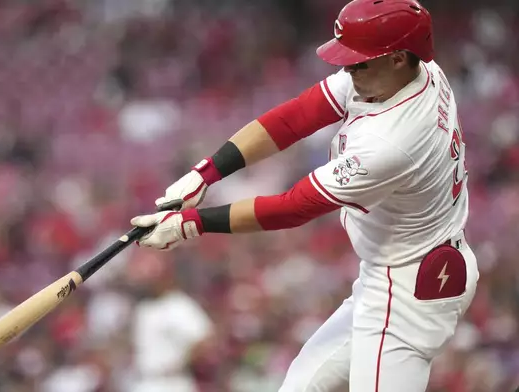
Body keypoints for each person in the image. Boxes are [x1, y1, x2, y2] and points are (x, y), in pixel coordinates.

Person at [130, 0, 479, 391]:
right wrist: (206, 171)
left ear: (398, 58)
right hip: (391, 271)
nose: (347, 68)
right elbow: (297, 116)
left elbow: (293, 207)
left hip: (412, 288)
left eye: (358, 61)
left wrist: (191, 224)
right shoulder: (414, 68)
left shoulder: (391, 142)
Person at [126, 250, 214, 392]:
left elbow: (205, 338)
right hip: (143, 381)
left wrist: (181, 361)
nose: (147, 283)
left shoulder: (178, 304)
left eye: (151, 278)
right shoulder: (143, 308)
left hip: (171, 382)